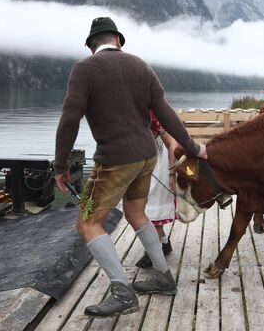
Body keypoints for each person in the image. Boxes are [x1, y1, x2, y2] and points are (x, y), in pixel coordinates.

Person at [54, 17, 207, 317]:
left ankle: (122, 292)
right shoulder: (140, 65)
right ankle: (162, 277)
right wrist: (193, 147)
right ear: (119, 41)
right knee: (135, 213)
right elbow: (165, 112)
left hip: (115, 160)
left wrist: (60, 165)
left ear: (91, 47)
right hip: (147, 155)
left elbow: (70, 117)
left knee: (87, 222)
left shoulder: (83, 69)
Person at [135, 112, 177, 269]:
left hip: (160, 161)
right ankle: (164, 243)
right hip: (142, 160)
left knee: (154, 209)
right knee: (142, 208)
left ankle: (153, 255)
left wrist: (172, 173)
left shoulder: (151, 113)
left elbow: (172, 144)